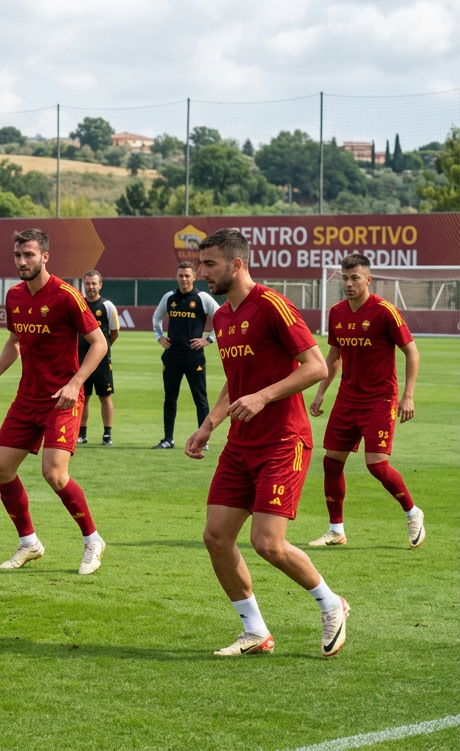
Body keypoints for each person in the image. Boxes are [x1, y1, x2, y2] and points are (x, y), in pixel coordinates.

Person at [185, 228, 347, 658]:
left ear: (236, 264)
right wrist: (208, 425)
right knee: (216, 537)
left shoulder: (273, 305)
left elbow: (316, 366)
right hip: (240, 444)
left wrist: (263, 396)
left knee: (267, 543)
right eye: (201, 264)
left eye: (210, 264)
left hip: (283, 441)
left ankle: (331, 603)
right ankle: (255, 630)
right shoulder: (222, 316)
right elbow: (235, 381)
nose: (202, 273)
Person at [0, 229, 108, 575]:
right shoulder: (14, 296)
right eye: (18, 256)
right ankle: (29, 543)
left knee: (54, 473)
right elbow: (14, 341)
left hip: (61, 399)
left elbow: (99, 343)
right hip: (27, 398)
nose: (22, 262)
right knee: (1, 469)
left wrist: (75, 383)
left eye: (29, 255)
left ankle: (92, 540)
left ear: (45, 257)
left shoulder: (67, 296)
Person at [308, 254, 424, 548]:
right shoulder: (336, 312)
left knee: (377, 466)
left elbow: (412, 352)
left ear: (368, 280)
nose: (348, 283)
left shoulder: (385, 312)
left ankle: (413, 513)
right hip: (347, 399)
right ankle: (336, 530)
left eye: (355, 278)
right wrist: (321, 392)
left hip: (379, 400)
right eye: (345, 278)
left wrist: (408, 396)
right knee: (331, 463)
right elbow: (334, 356)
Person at [152, 262, 219, 449]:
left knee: (200, 398)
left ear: (194, 277)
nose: (184, 279)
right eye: (181, 275)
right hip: (172, 355)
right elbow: (156, 317)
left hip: (193, 356)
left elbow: (221, 317)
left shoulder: (202, 298)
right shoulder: (169, 297)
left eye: (187, 276)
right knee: (170, 398)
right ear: (176, 277)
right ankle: (168, 439)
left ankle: (203, 440)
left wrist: (209, 339)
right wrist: (160, 337)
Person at [77, 270, 119, 446]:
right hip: (81, 359)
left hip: (102, 362)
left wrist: (101, 350)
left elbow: (114, 333)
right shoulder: (79, 304)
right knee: (83, 397)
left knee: (105, 396)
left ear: (100, 285)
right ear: (84, 285)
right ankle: (82, 433)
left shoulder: (107, 306)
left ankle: (107, 434)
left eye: (94, 283)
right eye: (88, 284)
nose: (91, 287)